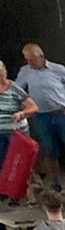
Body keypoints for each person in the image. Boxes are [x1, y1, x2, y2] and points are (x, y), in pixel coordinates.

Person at [14, 44, 65, 197]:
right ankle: (55, 184)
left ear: (41, 57)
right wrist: (23, 107)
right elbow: (18, 91)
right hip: (42, 116)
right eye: (27, 60)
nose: (30, 63)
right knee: (49, 151)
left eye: (32, 60)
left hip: (62, 114)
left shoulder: (57, 69)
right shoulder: (25, 71)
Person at [0, 61, 39, 189]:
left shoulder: (14, 88)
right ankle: (4, 190)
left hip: (16, 132)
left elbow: (33, 107)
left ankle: (18, 191)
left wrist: (22, 113)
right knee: (2, 162)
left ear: (4, 73)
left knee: (18, 162)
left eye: (1, 75)